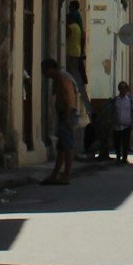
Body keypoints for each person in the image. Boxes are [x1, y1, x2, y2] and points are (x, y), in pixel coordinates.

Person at [41, 56, 79, 185]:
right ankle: (55, 175)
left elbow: (69, 98)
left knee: (67, 146)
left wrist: (68, 118)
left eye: (44, 70)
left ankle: (66, 175)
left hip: (67, 115)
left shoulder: (62, 79)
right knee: (62, 147)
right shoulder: (59, 79)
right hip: (64, 115)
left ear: (50, 69)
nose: (43, 73)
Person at [65, 0, 92, 117]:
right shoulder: (79, 25)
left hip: (71, 55)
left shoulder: (73, 22)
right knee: (78, 81)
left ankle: (74, 106)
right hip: (77, 54)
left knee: (73, 80)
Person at [112, 81, 133, 164]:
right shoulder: (115, 100)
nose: (123, 90)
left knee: (125, 143)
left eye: (125, 88)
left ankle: (124, 158)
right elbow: (112, 111)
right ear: (119, 89)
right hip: (116, 125)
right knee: (117, 142)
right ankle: (118, 157)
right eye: (121, 88)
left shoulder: (129, 100)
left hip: (126, 125)